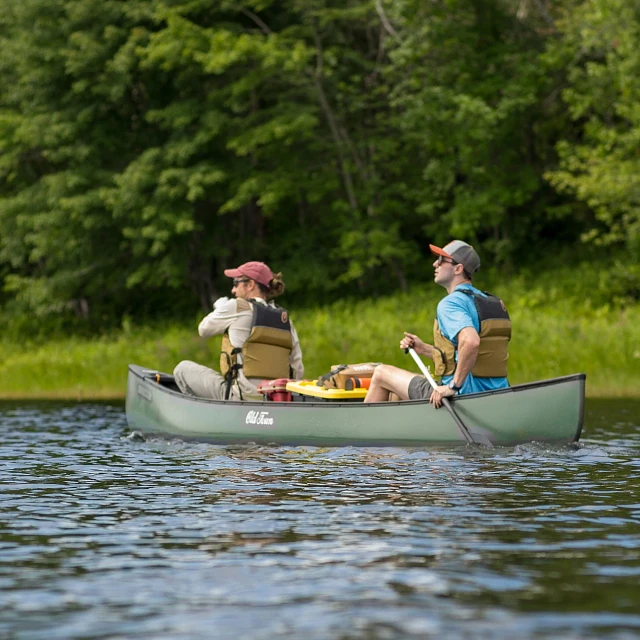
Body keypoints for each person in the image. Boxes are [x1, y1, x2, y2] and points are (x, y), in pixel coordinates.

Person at [364, 240, 511, 408]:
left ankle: (359, 432)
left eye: (441, 260)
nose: (435, 264)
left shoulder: (451, 303)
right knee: (402, 387)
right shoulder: (492, 302)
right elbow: (471, 354)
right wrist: (424, 348)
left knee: (381, 373)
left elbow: (470, 342)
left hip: (461, 400)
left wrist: (452, 387)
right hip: (497, 397)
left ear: (458, 269)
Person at [174, 261, 304, 400]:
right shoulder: (285, 321)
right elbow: (297, 369)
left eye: (236, 283)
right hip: (273, 400)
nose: (233, 290)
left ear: (250, 284)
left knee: (182, 369)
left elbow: (203, 329)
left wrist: (220, 308)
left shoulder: (236, 306)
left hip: (240, 398)